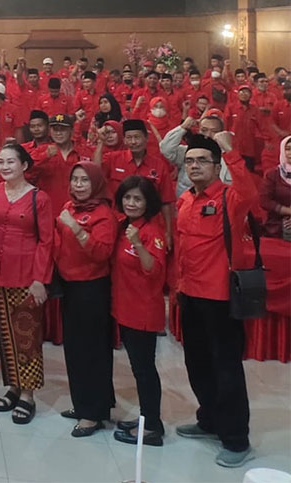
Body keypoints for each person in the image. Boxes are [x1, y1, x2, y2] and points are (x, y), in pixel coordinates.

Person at [174, 132, 258, 468]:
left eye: (202, 161)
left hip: (220, 299)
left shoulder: (229, 198)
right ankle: (208, 419)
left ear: (216, 165)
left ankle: (236, 440)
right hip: (189, 295)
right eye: (189, 161)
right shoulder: (185, 200)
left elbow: (250, 193)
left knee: (226, 370)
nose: (194, 166)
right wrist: (177, 289)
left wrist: (229, 149)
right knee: (197, 364)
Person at [0, 143, 53, 425]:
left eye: (11, 162)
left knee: (26, 335)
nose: (5, 166)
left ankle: (28, 395)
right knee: (6, 335)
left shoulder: (39, 198)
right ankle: (13, 386)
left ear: (24, 165)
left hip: (26, 276)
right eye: (1, 162)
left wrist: (40, 279)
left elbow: (47, 241)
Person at [54, 163, 117, 437]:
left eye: (84, 180)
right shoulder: (70, 207)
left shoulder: (103, 214)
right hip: (70, 286)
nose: (78, 185)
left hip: (92, 289)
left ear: (96, 184)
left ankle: (93, 413)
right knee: (75, 350)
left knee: (92, 351)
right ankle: (83, 404)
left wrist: (77, 229)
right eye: (75, 179)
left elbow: (101, 253)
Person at [111, 176, 169, 447]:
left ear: (148, 203)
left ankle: (152, 427)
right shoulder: (125, 225)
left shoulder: (151, 231)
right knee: (139, 369)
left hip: (143, 312)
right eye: (127, 197)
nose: (131, 203)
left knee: (144, 370)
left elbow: (154, 270)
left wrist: (138, 244)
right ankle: (147, 419)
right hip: (124, 308)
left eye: (137, 199)